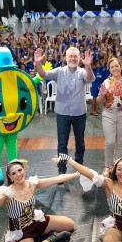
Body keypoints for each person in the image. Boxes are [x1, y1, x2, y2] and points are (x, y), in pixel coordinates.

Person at [34, 46, 95, 175]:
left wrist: (88, 66)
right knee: (62, 143)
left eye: (75, 56)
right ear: (66, 58)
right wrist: (38, 63)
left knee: (80, 142)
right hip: (62, 113)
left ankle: (79, 168)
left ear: (79, 59)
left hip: (79, 113)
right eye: (70, 56)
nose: (72, 58)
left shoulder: (83, 72)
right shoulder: (59, 71)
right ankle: (62, 170)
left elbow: (90, 78)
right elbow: (43, 74)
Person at [97, 58, 122, 176]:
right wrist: (102, 95)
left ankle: (116, 165)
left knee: (119, 142)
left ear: (121, 67)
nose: (114, 68)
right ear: (109, 69)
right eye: (112, 67)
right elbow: (98, 102)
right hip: (109, 114)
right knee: (109, 142)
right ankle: (107, 166)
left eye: (116, 66)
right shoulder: (106, 82)